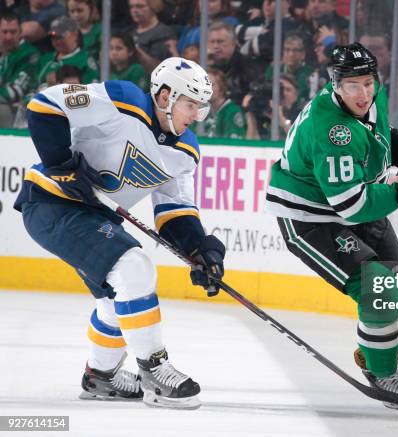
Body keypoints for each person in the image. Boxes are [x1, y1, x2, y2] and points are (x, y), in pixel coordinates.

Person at [13, 57, 226, 410]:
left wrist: (200, 251)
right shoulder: (122, 100)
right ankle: (154, 371)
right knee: (134, 267)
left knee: (118, 297)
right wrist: (62, 165)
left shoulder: (185, 152)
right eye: (191, 105)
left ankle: (101, 375)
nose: (195, 116)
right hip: (52, 202)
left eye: (201, 108)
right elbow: (45, 104)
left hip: (95, 216)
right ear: (164, 96)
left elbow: (175, 211)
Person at [265, 42, 398, 411]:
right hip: (311, 219)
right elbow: (352, 206)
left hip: (360, 201)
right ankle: (382, 371)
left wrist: (396, 140)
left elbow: (373, 129)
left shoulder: (370, 96)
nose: (364, 93)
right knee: (377, 289)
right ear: (335, 85)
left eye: (368, 83)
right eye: (353, 85)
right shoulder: (331, 131)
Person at [36, 16, 99, 89]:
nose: (56, 41)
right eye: (53, 37)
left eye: (60, 36)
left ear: (75, 34)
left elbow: (93, 89)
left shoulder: (85, 59)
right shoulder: (45, 58)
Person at [0, 11, 39, 127]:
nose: (8, 36)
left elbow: (14, 93)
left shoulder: (29, 54)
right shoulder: (5, 54)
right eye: (4, 32)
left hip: (20, 111)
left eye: (13, 32)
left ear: (20, 33)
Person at [202, 67, 246, 138]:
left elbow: (233, 143)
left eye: (212, 85)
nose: (207, 89)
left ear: (222, 87)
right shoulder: (202, 110)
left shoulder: (232, 111)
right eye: (205, 85)